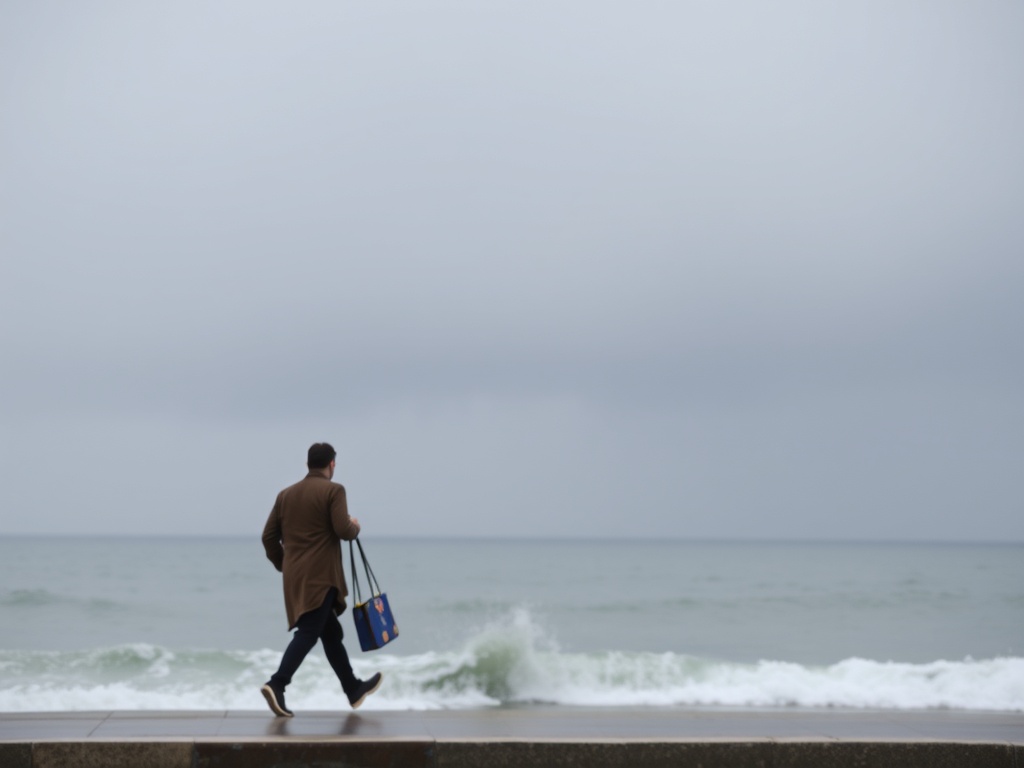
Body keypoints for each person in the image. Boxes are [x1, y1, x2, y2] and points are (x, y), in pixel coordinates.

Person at [260, 442, 382, 717]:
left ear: (307, 464)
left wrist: (285, 564)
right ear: (332, 464)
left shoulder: (285, 495)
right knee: (309, 632)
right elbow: (343, 530)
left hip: (296, 578)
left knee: (330, 633)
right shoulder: (333, 490)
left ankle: (353, 688)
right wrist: (355, 526)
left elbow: (268, 537)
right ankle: (277, 683)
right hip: (322, 577)